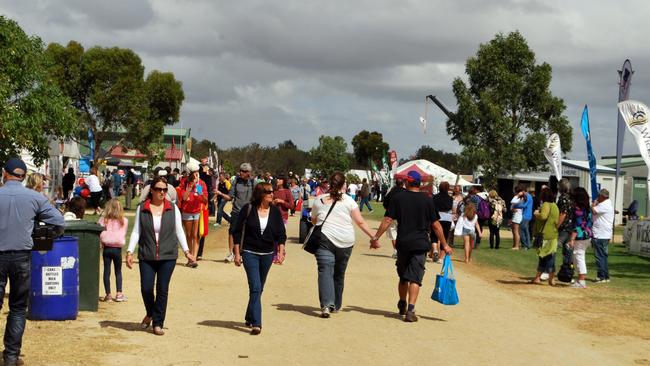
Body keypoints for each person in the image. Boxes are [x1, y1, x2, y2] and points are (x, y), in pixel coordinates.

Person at [0, 157, 65, 365]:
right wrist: (42, 235)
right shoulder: (34, 198)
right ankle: (11, 356)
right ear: (23, 176)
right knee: (18, 308)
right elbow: (58, 221)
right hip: (21, 256)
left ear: (4, 173)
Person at [372, 171, 452, 322]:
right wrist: (445, 245)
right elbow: (436, 225)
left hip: (403, 243)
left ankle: (402, 302)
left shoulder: (398, 198)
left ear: (407, 182)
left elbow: (388, 220)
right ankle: (410, 310)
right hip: (420, 243)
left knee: (403, 276)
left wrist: (376, 237)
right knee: (415, 277)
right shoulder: (428, 200)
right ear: (419, 183)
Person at [126, 176, 194, 336]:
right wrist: (129, 251)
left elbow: (179, 231)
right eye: (158, 189)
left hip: (168, 255)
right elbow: (137, 231)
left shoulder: (173, 208)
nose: (162, 192)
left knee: (162, 289)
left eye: (164, 189)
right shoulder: (142, 208)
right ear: (152, 191)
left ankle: (158, 323)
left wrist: (186, 251)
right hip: (147, 255)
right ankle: (150, 313)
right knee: (146, 288)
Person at [311, 172, 375, 318]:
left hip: (325, 239)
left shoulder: (319, 200)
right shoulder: (349, 201)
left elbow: (314, 219)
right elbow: (360, 222)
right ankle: (336, 304)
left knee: (325, 271)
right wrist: (374, 237)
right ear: (343, 185)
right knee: (339, 274)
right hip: (345, 242)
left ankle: (327, 305)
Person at [232, 182, 286, 335]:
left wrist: (280, 251)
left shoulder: (275, 212)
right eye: (268, 192)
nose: (272, 194)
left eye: (272, 191)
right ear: (260, 194)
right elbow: (236, 232)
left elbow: (281, 234)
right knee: (255, 287)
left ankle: (250, 316)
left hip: (267, 255)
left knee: (259, 288)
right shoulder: (248, 209)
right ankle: (257, 323)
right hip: (249, 253)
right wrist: (237, 253)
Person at [216, 163, 254, 262]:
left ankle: (242, 253)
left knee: (246, 232)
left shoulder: (254, 183)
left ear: (249, 173)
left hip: (249, 212)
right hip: (236, 211)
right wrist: (221, 194)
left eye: (244, 171)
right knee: (232, 231)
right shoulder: (236, 181)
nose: (241, 172)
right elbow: (230, 197)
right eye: (241, 170)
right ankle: (231, 253)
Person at [99, 199, 129, 302]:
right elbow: (123, 233)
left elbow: (100, 232)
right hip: (117, 249)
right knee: (118, 271)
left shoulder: (103, 220)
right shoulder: (123, 221)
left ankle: (108, 295)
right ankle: (119, 293)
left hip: (107, 248)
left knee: (106, 271)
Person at [177, 163, 207, 268]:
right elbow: (184, 198)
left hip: (198, 211)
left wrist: (198, 188)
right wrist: (190, 187)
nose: (196, 175)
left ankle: (194, 258)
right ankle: (190, 258)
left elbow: (205, 200)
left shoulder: (201, 184)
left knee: (196, 236)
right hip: (187, 212)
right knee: (189, 235)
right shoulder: (183, 183)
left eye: (197, 173)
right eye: (194, 173)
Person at [530, 187, 559, 285]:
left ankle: (551, 278)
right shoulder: (555, 205)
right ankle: (538, 277)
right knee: (547, 256)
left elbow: (543, 216)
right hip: (553, 233)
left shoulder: (546, 204)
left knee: (546, 256)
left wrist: (536, 213)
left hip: (545, 234)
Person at [569, 187, 593, 289]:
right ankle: (580, 279)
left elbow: (578, 225)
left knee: (579, 257)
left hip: (580, 236)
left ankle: (581, 280)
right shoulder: (588, 208)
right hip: (588, 235)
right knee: (578, 257)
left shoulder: (578, 209)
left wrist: (572, 239)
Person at [592, 188, 614, 283]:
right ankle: (605, 276)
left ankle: (601, 276)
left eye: (599, 196)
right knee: (603, 256)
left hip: (600, 234)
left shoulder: (603, 205)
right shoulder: (608, 204)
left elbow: (593, 211)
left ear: (602, 196)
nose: (597, 197)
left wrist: (593, 204)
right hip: (605, 234)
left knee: (599, 256)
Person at [555, 179, 575, 278]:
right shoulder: (571, 198)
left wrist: (556, 226)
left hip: (563, 228)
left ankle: (547, 271)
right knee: (568, 251)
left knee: (553, 247)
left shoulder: (563, 198)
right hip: (571, 228)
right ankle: (568, 273)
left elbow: (563, 213)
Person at [383, 179, 406, 259]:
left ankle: (396, 250)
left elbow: (385, 202)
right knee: (402, 233)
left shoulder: (391, 192)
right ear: (403, 184)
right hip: (403, 216)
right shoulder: (406, 192)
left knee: (393, 233)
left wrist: (388, 209)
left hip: (392, 215)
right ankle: (402, 251)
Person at [432, 181, 453, 263]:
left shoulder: (435, 197)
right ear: (447, 189)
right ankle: (441, 258)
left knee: (434, 235)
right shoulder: (450, 198)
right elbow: (449, 207)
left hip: (437, 217)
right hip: (447, 218)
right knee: (444, 236)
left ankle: (435, 250)